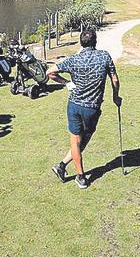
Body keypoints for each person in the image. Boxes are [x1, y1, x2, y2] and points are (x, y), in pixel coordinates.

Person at [46, 29, 121, 189]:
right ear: (95, 42)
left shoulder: (74, 60)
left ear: (81, 42)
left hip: (74, 106)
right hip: (92, 109)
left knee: (77, 141)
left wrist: (66, 83)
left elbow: (50, 72)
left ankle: (61, 166)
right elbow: (114, 78)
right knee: (81, 141)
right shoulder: (104, 56)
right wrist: (116, 96)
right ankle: (81, 177)